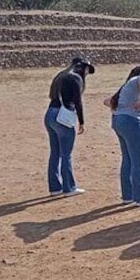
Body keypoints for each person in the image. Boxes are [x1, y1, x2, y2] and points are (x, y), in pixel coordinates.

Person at [107, 63, 140, 206]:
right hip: (131, 122)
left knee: (128, 159)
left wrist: (121, 107)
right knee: (137, 160)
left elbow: (108, 101)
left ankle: (127, 195)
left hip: (119, 120)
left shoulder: (128, 84)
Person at [44, 56, 95, 197]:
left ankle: (55, 187)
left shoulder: (61, 75)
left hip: (50, 113)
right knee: (66, 154)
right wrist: (82, 121)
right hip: (63, 116)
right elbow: (78, 101)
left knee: (55, 152)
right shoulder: (75, 78)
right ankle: (69, 187)